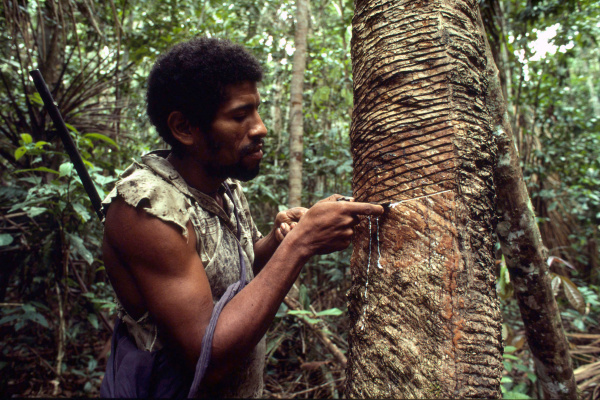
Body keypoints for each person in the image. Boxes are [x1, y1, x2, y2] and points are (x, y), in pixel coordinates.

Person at [99, 37, 383, 398]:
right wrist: (300, 244)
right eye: (239, 116)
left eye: (257, 111)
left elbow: (242, 269)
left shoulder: (223, 182)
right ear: (184, 128)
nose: (261, 127)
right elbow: (207, 359)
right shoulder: (147, 211)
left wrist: (279, 241)